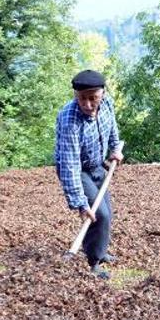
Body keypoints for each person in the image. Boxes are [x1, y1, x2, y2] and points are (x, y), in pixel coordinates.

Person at [55, 69, 124, 280]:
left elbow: (112, 128)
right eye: (82, 99)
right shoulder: (70, 120)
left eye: (92, 98)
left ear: (102, 93)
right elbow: (69, 165)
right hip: (78, 170)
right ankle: (94, 263)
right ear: (76, 96)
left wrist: (115, 149)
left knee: (107, 212)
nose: (87, 104)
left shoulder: (107, 104)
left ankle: (99, 251)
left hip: (97, 166)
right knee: (97, 214)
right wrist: (80, 203)